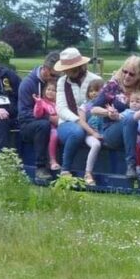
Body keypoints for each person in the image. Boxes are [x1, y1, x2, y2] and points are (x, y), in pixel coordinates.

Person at [89, 56, 140, 178]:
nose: (126, 76)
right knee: (130, 119)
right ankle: (131, 164)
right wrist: (108, 113)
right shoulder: (112, 86)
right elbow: (93, 109)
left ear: (139, 75)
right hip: (112, 131)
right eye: (125, 71)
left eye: (132, 74)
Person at [54, 48, 101, 178]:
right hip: (68, 123)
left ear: (80, 66)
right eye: (66, 68)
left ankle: (90, 173)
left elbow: (101, 104)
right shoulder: (62, 82)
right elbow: (61, 109)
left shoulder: (96, 80)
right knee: (77, 132)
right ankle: (65, 170)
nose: (68, 71)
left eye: (72, 68)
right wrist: (78, 120)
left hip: (92, 121)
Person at [18, 51, 60, 181]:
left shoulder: (57, 81)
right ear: (45, 69)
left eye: (57, 76)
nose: (55, 79)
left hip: (56, 120)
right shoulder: (28, 84)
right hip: (28, 125)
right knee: (43, 125)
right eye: (53, 75)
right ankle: (41, 167)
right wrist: (49, 118)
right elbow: (24, 113)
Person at [33, 81, 61, 172]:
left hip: (60, 126)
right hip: (49, 128)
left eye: (54, 90)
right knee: (55, 134)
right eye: (48, 89)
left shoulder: (59, 104)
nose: (50, 92)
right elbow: (37, 114)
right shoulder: (42, 102)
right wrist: (38, 104)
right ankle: (52, 160)